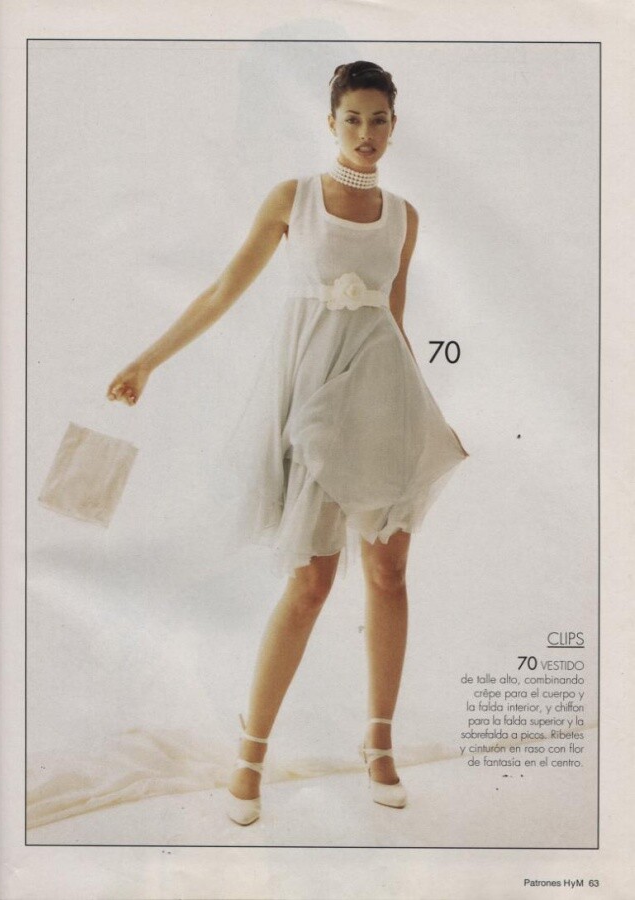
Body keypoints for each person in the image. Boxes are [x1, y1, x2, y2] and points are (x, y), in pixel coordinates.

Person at [107, 60, 468, 827]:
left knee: (389, 572)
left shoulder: (404, 217)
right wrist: (146, 361)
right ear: (329, 122)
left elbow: (396, 323)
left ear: (394, 126)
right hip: (311, 405)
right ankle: (248, 760)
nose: (365, 133)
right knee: (309, 584)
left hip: (382, 405)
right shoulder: (292, 199)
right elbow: (221, 291)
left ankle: (379, 744)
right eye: (352, 119)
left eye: (378, 119)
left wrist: (424, 415)